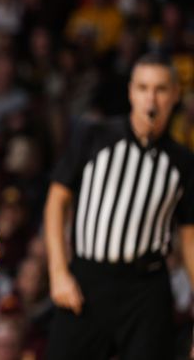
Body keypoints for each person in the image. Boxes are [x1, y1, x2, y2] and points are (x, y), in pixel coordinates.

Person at [44, 53, 194, 360]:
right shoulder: (95, 135)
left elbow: (191, 238)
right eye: (142, 87)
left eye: (161, 89)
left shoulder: (183, 162)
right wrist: (58, 272)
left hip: (146, 289)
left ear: (175, 94)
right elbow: (56, 201)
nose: (150, 98)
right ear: (130, 92)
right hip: (88, 279)